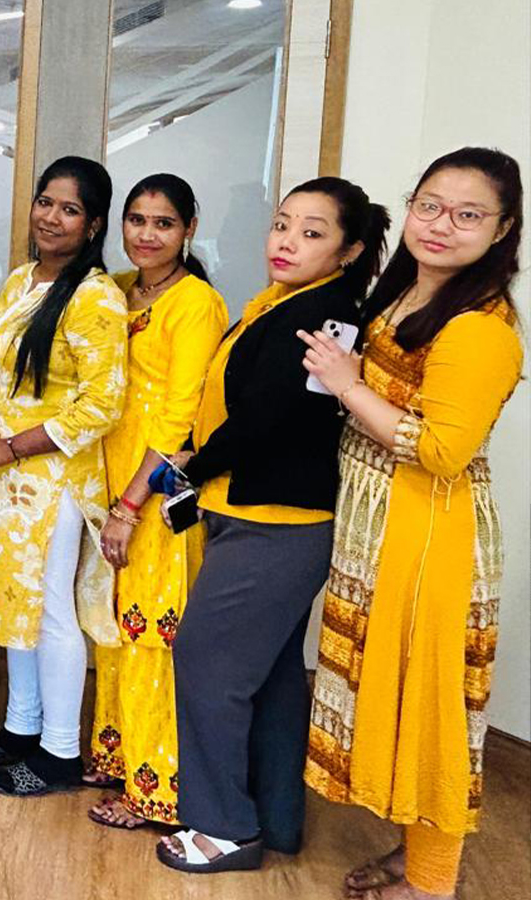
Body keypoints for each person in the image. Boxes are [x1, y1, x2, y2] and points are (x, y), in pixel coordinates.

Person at [301, 148, 523, 900]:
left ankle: (432, 885)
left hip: (428, 537)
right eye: (429, 205)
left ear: (503, 229)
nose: (440, 225)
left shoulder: (481, 328)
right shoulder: (406, 292)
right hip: (385, 525)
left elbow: (442, 450)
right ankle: (414, 853)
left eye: (468, 215)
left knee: (428, 712)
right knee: (395, 701)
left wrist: (346, 383)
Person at [152, 177, 390, 874]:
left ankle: (223, 826)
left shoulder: (326, 315)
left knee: (206, 662)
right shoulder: (284, 301)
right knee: (275, 673)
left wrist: (193, 463)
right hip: (247, 510)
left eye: (312, 233)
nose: (286, 242)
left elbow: (267, 417)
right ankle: (277, 819)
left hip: (276, 524)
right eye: (282, 224)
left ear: (348, 251)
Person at [0, 156, 127, 797]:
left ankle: (58, 751)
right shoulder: (22, 280)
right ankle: (21, 727)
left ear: (93, 225)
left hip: (53, 478)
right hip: (6, 477)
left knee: (51, 609)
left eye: (70, 209)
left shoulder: (95, 296)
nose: (52, 217)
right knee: (15, 602)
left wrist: (11, 447)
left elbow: (102, 404)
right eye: (45, 202)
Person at [86, 174, 229, 829]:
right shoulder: (117, 290)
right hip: (106, 474)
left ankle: (157, 791)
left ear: (189, 229)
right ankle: (116, 757)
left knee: (152, 633)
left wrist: (130, 505)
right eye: (137, 220)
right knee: (113, 625)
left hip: (155, 487)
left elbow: (179, 417)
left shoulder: (195, 302)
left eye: (164, 223)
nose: (147, 234)